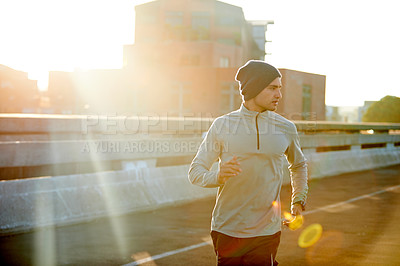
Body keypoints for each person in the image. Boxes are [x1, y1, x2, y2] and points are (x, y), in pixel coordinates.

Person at [188, 60, 308, 265]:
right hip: (227, 229)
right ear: (254, 88)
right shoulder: (222, 125)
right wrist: (218, 175)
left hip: (266, 231)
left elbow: (298, 165)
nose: (279, 95)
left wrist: (299, 200)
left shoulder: (286, 127)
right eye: (272, 88)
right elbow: (195, 172)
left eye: (280, 88)